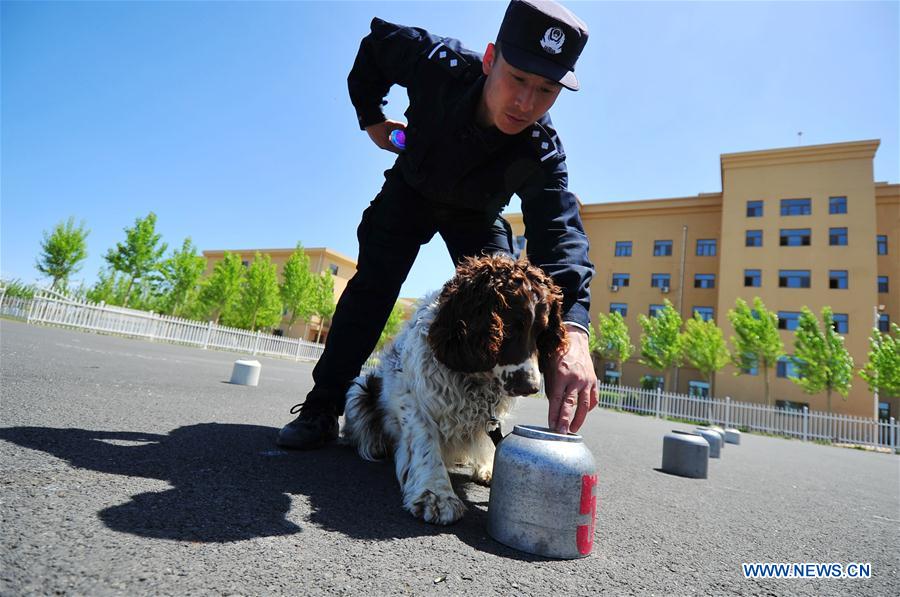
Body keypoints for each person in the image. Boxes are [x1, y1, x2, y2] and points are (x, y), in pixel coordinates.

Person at [278, 0, 598, 450]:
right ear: (490, 59)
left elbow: (560, 238)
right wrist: (370, 117)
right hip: (411, 190)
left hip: (475, 216)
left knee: (506, 299)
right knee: (373, 285)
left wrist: (574, 336)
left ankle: (484, 424)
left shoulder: (542, 152)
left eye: (546, 89)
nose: (526, 102)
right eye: (518, 78)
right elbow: (377, 46)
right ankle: (322, 405)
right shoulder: (438, 63)